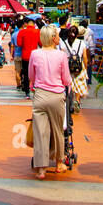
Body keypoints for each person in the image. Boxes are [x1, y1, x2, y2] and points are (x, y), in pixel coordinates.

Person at [27, 25, 73, 179]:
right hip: (56, 95)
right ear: (54, 38)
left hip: (40, 95)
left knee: (41, 132)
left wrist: (36, 84)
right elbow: (66, 79)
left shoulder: (35, 54)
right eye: (57, 36)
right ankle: (59, 163)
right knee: (58, 130)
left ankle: (41, 169)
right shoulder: (61, 55)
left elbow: (31, 76)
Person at [15, 18, 41, 96]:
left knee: (26, 74)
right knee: (36, 73)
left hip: (25, 55)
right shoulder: (38, 32)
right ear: (34, 24)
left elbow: (19, 44)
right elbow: (41, 43)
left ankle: (27, 91)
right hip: (35, 55)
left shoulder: (22, 32)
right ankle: (35, 88)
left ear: (27, 24)